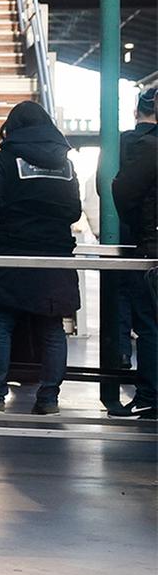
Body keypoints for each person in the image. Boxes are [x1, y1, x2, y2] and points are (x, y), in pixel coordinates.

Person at [0, 102, 80, 415]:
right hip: (55, 254)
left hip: (12, 253)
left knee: (1, 325)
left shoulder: (5, 159)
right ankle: (49, 399)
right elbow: (73, 211)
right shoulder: (65, 164)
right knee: (52, 327)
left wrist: (10, 222)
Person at [110, 85, 157, 418]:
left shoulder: (148, 148)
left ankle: (150, 395)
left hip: (150, 245)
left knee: (150, 324)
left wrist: (139, 226)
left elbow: (122, 191)